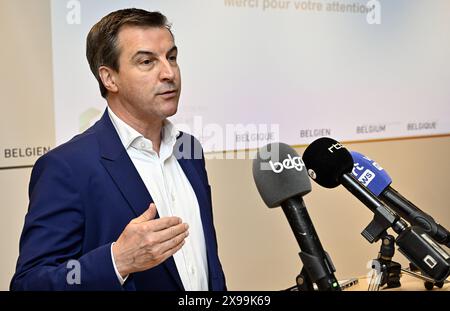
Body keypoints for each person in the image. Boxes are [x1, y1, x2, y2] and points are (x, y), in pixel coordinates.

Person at [10, 8, 226, 291]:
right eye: (147, 61)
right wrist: (117, 261)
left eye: (171, 57)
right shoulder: (67, 167)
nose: (169, 73)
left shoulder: (189, 149)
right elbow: (30, 284)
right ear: (109, 79)